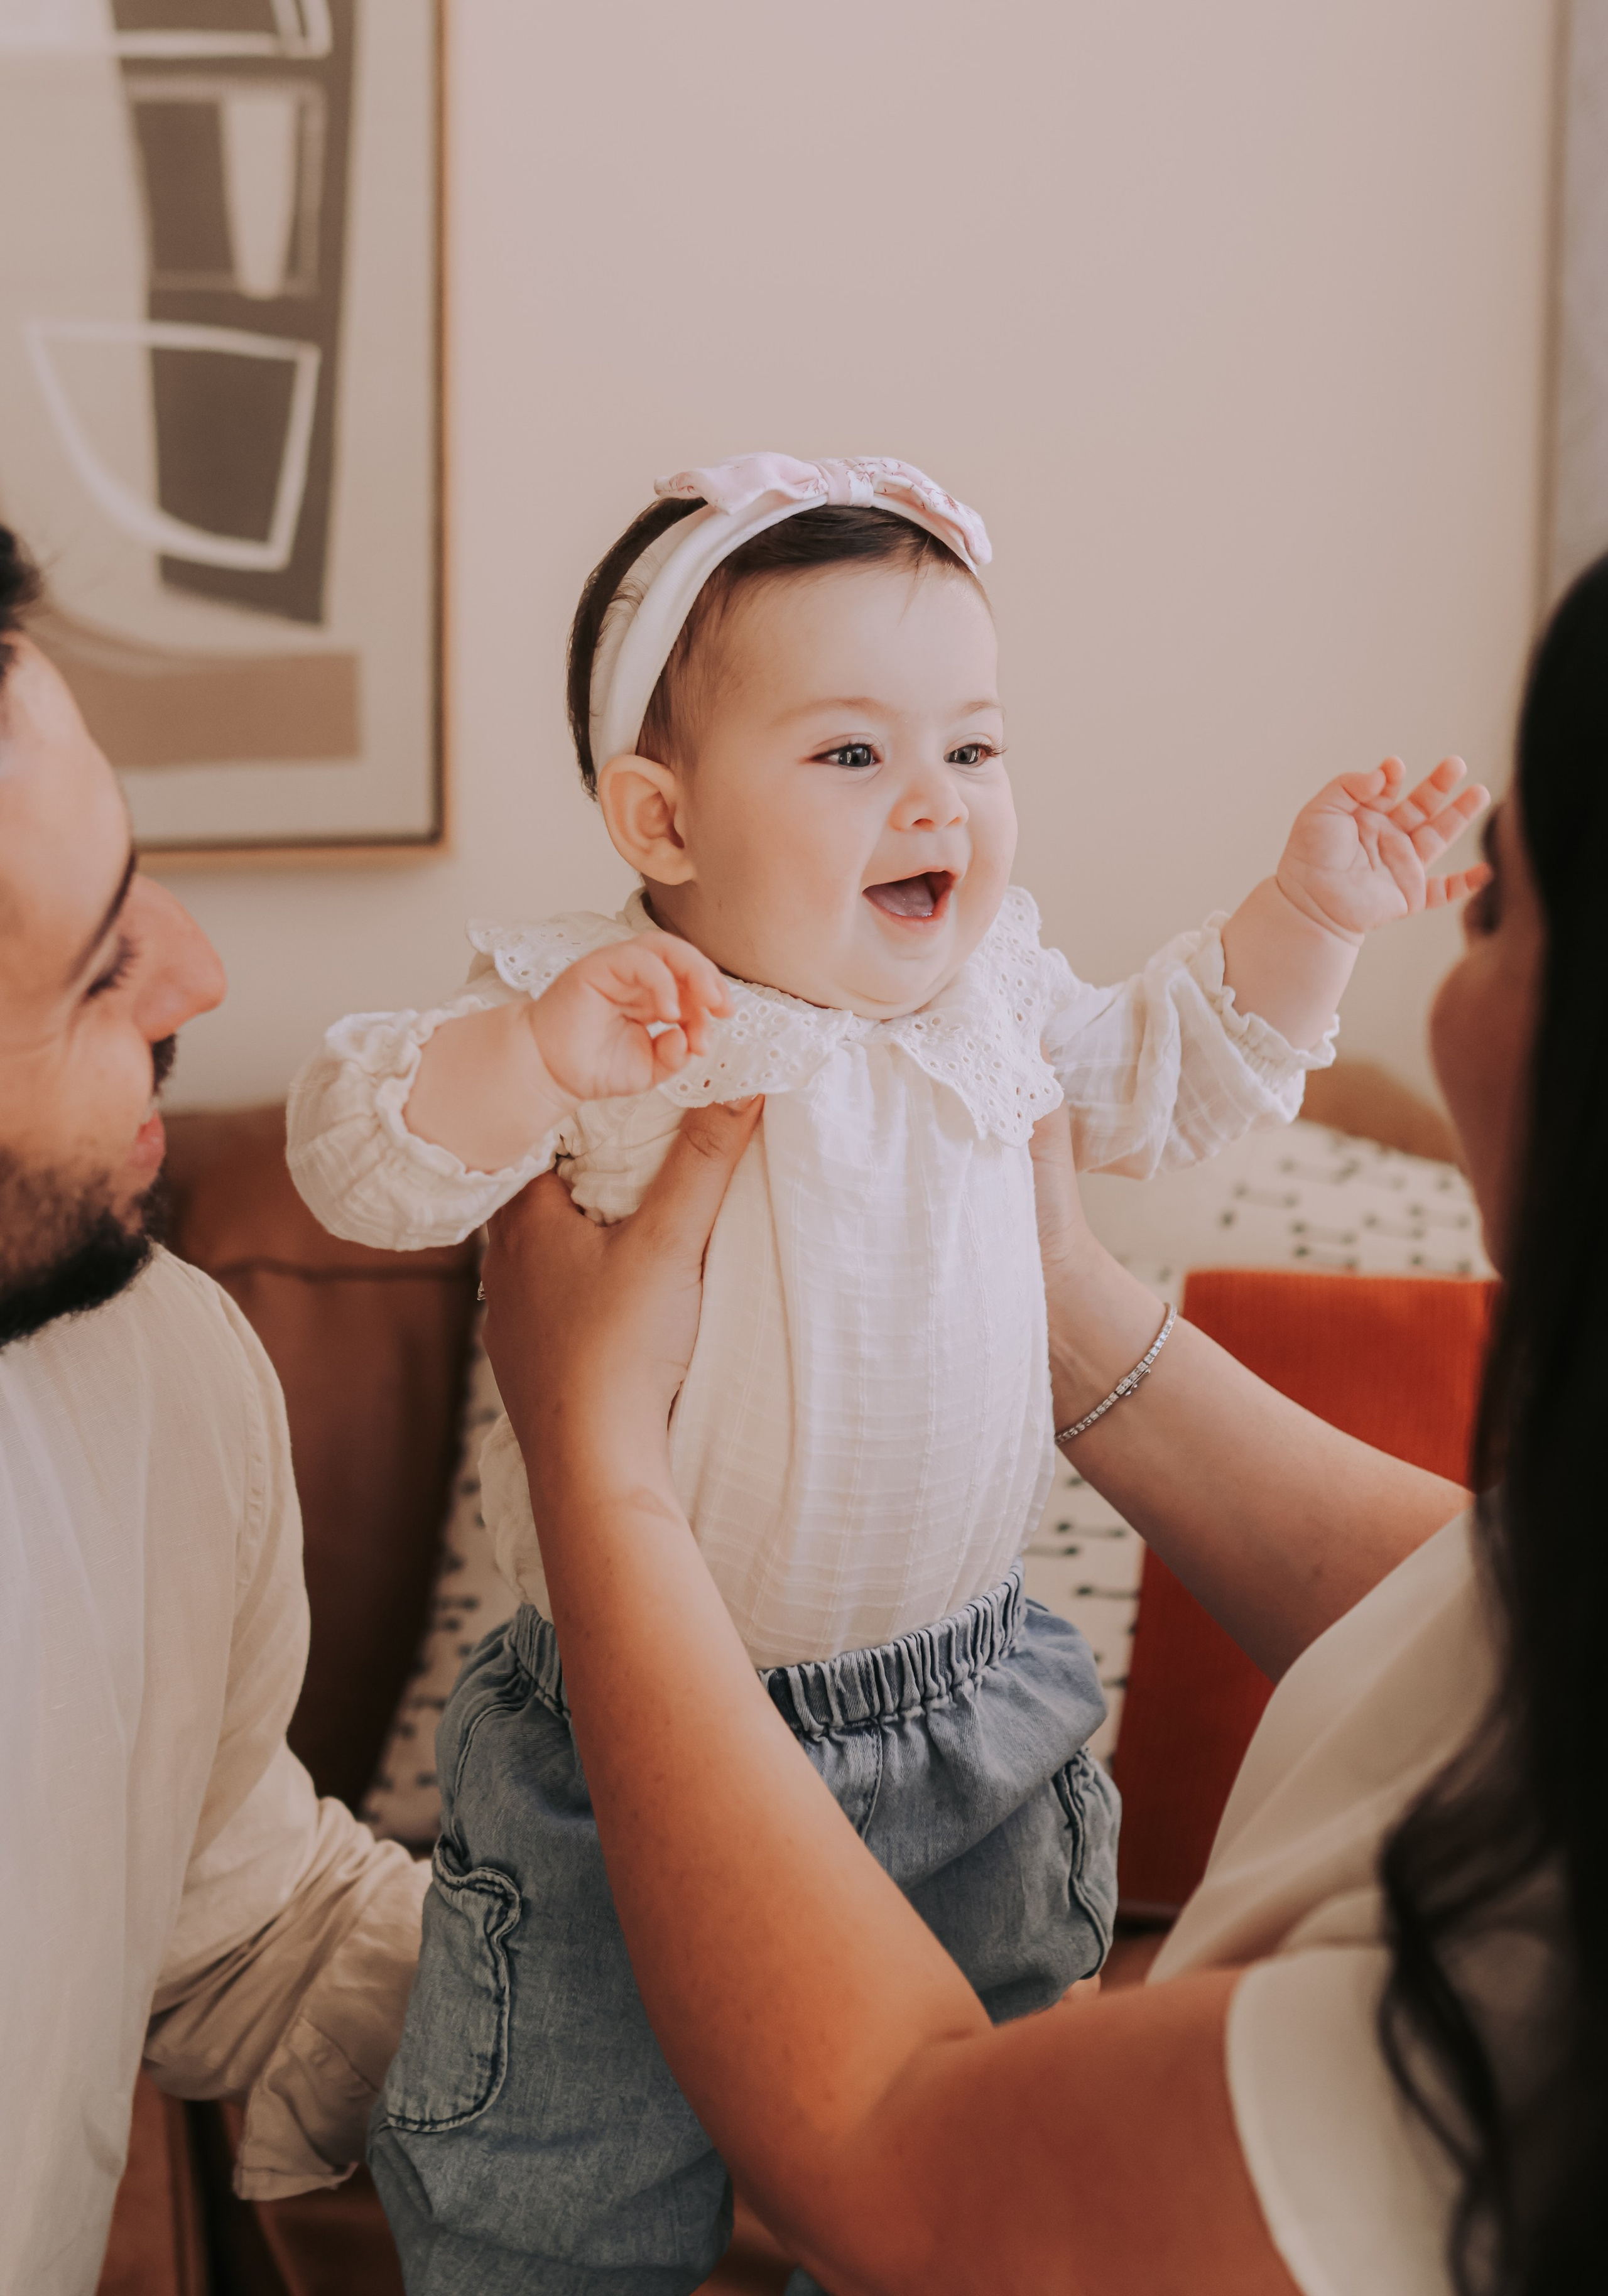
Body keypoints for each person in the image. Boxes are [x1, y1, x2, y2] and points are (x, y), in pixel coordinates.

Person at [290, 450, 1487, 2288]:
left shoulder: (999, 994)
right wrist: (525, 1063)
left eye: (975, 750)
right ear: (663, 823)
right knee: (553, 2196)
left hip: (967, 1718)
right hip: (627, 1744)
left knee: (987, 2190)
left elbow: (1174, 1069)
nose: (936, 803)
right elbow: (355, 1152)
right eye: (852, 756)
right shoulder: (616, 1013)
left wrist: (1309, 917)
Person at [0, 530, 430, 2295]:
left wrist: (761, 2034)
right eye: (100, 969)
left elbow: (234, 1924)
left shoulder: (152, 1374)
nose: (196, 977)